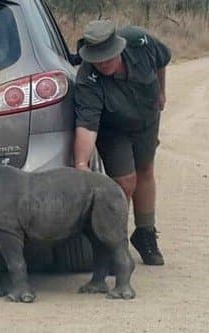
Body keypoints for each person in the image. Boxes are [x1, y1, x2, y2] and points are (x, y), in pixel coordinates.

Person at [73, 20, 171, 265]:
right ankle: (115, 241)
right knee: (125, 181)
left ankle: (145, 233)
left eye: (108, 57)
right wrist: (81, 164)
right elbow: (86, 125)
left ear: (118, 48)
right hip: (113, 129)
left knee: (145, 170)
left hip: (146, 120)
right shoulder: (88, 78)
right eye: (97, 59)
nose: (103, 63)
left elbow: (161, 62)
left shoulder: (140, 42)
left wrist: (161, 91)